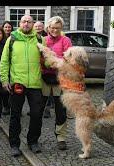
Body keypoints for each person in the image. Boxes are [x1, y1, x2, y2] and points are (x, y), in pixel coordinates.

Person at [0, 15, 44, 156]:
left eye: (29, 22)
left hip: (35, 84)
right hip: (17, 82)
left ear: (33, 24)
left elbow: (46, 60)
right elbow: (4, 61)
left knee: (37, 114)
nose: (26, 24)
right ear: (20, 23)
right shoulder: (12, 39)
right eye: (24, 21)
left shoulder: (40, 39)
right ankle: (14, 144)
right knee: (15, 115)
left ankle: (33, 141)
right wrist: (4, 80)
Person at [41, 16, 72, 150]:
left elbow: (69, 58)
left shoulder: (66, 40)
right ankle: (34, 137)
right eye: (52, 28)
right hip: (44, 79)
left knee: (61, 110)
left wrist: (53, 61)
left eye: (57, 28)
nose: (54, 30)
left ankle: (61, 137)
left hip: (61, 80)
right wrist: (49, 62)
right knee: (38, 109)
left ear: (61, 28)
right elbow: (39, 57)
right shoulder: (43, 40)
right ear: (48, 28)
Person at [1, 21, 14, 116]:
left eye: (9, 27)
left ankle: (13, 106)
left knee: (13, 88)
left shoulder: (14, 38)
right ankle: (6, 106)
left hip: (13, 65)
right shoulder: (1, 37)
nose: (7, 29)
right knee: (5, 88)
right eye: (5, 27)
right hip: (4, 63)